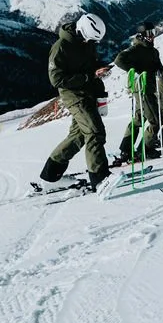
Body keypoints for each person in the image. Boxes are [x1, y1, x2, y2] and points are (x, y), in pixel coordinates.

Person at [39, 13, 112, 190]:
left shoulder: (86, 43)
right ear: (81, 31)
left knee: (77, 136)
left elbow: (89, 66)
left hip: (88, 93)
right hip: (74, 96)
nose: (91, 43)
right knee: (95, 132)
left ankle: (50, 176)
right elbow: (56, 79)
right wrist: (88, 77)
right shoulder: (61, 47)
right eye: (89, 39)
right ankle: (100, 179)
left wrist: (99, 70)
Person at [113, 21, 163, 161]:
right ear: (141, 36)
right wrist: (135, 72)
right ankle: (146, 149)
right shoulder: (136, 49)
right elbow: (119, 60)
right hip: (142, 89)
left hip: (149, 89)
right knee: (155, 121)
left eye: (153, 33)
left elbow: (159, 67)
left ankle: (126, 150)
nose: (152, 36)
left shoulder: (153, 51)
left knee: (139, 119)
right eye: (149, 33)